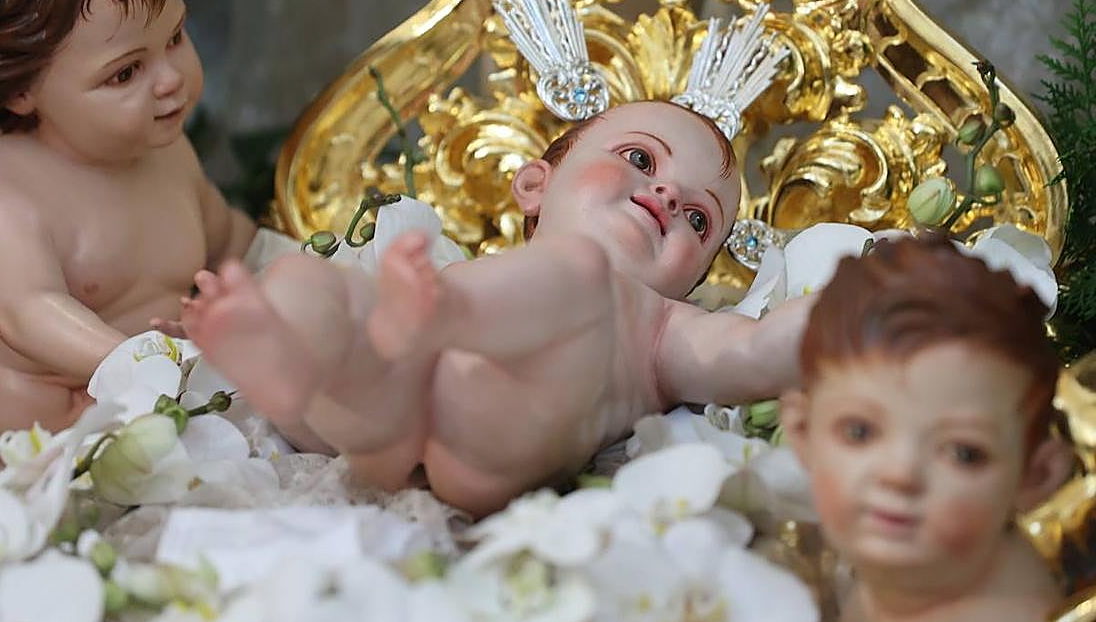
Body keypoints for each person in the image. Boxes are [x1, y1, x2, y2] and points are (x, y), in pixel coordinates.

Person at [183, 98, 812, 516]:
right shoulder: (452, 272)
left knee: (573, 275)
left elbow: (752, 352)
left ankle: (404, 350)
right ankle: (285, 358)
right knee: (305, 278)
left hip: (488, 437)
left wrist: (850, 311)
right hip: (386, 405)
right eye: (640, 159)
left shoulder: (667, 327)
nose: (669, 194)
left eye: (699, 221)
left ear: (693, 281)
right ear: (535, 185)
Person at [0, 0, 255, 487]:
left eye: (177, 36)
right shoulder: (4, 187)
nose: (170, 80)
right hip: (17, 481)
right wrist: (140, 363)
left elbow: (229, 241)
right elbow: (26, 310)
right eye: (125, 73)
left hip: (154, 452)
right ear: (22, 90)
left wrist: (272, 278)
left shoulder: (167, 153)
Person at [781, 236, 1074, 622]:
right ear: (802, 431)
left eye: (964, 454)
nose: (899, 473)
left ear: (1036, 475)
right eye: (860, 432)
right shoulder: (914, 572)